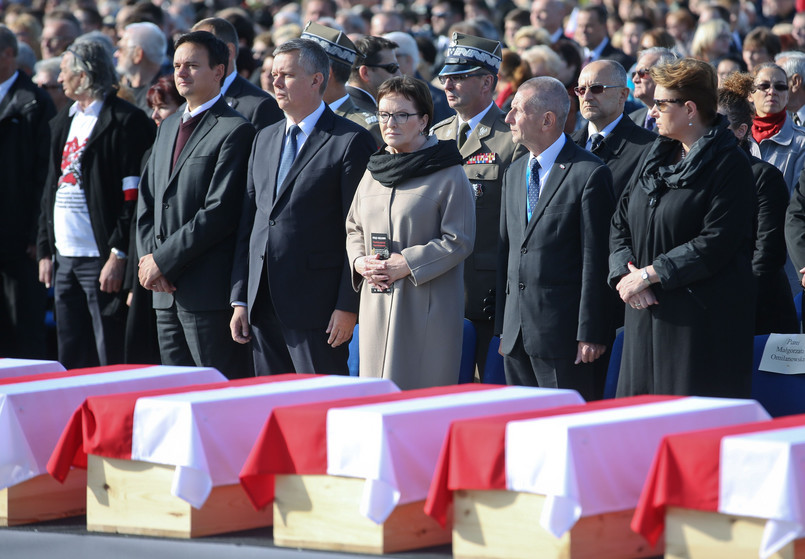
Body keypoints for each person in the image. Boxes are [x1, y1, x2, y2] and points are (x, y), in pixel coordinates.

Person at [609, 58, 756, 397]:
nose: (653, 112)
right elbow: (620, 220)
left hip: (699, 328)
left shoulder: (729, 164)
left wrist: (649, 274)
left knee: (687, 428)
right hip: (644, 315)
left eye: (661, 104)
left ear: (689, 108)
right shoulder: (655, 154)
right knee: (639, 427)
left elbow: (715, 242)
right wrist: (625, 273)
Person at [230, 38, 375, 376]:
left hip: (318, 309)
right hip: (262, 303)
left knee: (319, 407)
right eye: (273, 74)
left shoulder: (349, 140)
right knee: (274, 406)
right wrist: (240, 297)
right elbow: (250, 223)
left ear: (316, 80)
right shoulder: (264, 137)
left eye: (287, 75)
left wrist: (347, 306)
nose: (275, 82)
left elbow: (357, 230)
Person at [136, 31, 255, 379]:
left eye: (192, 65)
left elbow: (219, 212)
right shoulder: (168, 125)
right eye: (176, 66)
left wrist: (164, 261)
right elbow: (149, 202)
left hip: (205, 294)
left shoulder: (235, 130)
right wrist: (151, 261)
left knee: (214, 394)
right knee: (175, 394)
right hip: (163, 291)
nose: (181, 73)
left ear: (219, 71)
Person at [345, 76, 475, 389]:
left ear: (424, 121)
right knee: (375, 395)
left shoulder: (448, 171)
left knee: (418, 396)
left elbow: (459, 239)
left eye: (401, 115)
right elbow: (354, 226)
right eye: (384, 114)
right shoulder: (375, 169)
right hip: (376, 300)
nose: (390, 123)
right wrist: (360, 262)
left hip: (425, 305)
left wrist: (408, 263)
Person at [37, 39, 154, 369]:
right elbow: (51, 188)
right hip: (65, 256)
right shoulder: (64, 120)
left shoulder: (125, 121)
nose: (59, 80)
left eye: (64, 71)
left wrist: (119, 253)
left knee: (109, 353)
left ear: (84, 74)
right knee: (70, 352)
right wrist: (46, 248)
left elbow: (134, 197)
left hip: (101, 258)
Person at [496, 76, 614, 401]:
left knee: (564, 429)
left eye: (516, 110)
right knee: (523, 429)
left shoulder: (588, 173)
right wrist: (503, 328)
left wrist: (591, 332)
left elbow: (596, 260)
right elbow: (508, 252)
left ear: (547, 120)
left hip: (565, 339)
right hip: (516, 334)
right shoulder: (515, 171)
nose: (508, 118)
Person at [432, 33, 527, 378]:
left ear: (487, 81)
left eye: (459, 77)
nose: (448, 84)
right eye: (446, 77)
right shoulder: (436, 135)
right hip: (439, 290)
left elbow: (518, 226)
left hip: (488, 294)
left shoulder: (511, 138)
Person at [718, 71, 798, 334]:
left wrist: (732, 299)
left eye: (718, 126)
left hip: (759, 312)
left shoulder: (764, 177)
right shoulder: (699, 174)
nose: (708, 134)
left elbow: (767, 254)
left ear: (742, 131)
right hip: (712, 309)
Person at [0, 26, 56, 360]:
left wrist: (39, 232)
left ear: (9, 54)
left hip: (21, 241)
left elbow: (45, 175)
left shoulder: (33, 102)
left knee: (24, 336)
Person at [572, 59, 656, 198]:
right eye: (581, 90)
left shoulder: (649, 147)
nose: (586, 97)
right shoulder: (567, 143)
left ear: (622, 95)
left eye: (596, 88)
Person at [300, 22, 383, 147]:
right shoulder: (294, 119)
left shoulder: (364, 128)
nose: (279, 82)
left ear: (326, 74)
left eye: (297, 71)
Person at [192, 17, 283, 131]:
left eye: (202, 49)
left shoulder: (261, 106)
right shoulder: (187, 105)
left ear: (229, 51)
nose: (193, 57)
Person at [750, 62, 805, 195]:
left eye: (780, 87)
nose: (772, 92)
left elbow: (797, 201)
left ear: (787, 96)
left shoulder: (801, 142)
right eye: (764, 86)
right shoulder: (736, 136)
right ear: (750, 94)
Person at [116, 22, 167, 114]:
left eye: (121, 48)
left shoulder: (163, 98)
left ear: (138, 54)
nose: (116, 54)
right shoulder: (120, 90)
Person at [346, 35, 401, 114]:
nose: (399, 75)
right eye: (392, 68)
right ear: (365, 73)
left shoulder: (335, 103)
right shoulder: (374, 120)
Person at [629, 47, 680, 130]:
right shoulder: (632, 121)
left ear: (665, 75)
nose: (635, 79)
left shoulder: (677, 122)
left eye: (641, 73)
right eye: (634, 74)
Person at [575, 5, 635, 70]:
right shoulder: (573, 56)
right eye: (580, 26)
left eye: (589, 26)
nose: (583, 31)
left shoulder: (620, 61)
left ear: (604, 26)